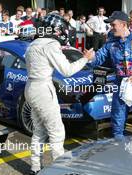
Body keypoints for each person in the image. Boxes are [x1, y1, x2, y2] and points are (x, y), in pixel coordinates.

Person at [24, 14, 95, 175]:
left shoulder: (33, 43)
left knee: (39, 131)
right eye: (62, 29)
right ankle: (62, 171)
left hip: (31, 87)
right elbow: (67, 71)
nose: (64, 32)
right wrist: (85, 58)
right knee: (56, 132)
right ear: (56, 29)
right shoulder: (50, 44)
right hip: (42, 88)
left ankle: (35, 168)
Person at [87, 11, 132, 139]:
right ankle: (119, 155)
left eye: (113, 25)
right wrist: (90, 58)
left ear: (124, 25)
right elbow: (98, 59)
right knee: (117, 126)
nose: (111, 28)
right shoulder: (110, 44)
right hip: (119, 85)